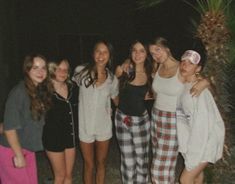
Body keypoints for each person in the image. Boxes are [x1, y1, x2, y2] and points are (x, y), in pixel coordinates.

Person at [149, 37, 209, 184]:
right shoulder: (157, 67)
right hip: (156, 118)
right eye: (152, 53)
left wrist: (205, 82)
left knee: (158, 171)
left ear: (167, 48)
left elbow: (200, 79)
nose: (155, 55)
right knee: (165, 166)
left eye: (158, 50)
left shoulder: (182, 67)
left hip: (173, 121)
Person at [0, 54, 52, 184]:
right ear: (27, 70)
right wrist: (18, 155)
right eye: (35, 68)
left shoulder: (37, 91)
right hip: (12, 149)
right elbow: (9, 128)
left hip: (27, 148)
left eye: (43, 68)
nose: (40, 72)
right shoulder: (19, 92)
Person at [72, 40, 119, 184]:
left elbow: (117, 101)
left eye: (105, 52)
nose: (101, 55)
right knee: (89, 164)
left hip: (104, 126)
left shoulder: (112, 78)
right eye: (98, 51)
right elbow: (65, 84)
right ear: (93, 54)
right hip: (85, 126)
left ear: (109, 56)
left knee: (101, 162)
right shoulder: (81, 71)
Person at [177, 50, 225, 184]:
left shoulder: (198, 91)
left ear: (198, 68)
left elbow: (202, 126)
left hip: (205, 142)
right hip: (192, 141)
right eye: (183, 62)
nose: (184, 65)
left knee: (185, 179)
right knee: (197, 176)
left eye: (190, 63)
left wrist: (193, 154)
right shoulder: (183, 86)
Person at [115, 40, 152, 183]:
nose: (137, 54)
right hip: (122, 119)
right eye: (134, 50)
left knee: (142, 162)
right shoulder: (123, 69)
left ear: (147, 53)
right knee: (128, 162)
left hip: (141, 121)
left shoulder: (151, 71)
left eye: (142, 50)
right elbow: (111, 89)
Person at [42, 59, 79, 184]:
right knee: (60, 176)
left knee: (68, 176)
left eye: (66, 69)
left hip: (70, 137)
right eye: (59, 69)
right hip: (53, 139)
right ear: (52, 70)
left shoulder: (73, 87)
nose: (63, 72)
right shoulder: (44, 91)